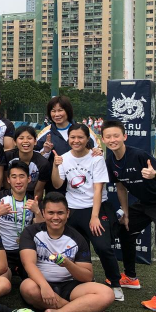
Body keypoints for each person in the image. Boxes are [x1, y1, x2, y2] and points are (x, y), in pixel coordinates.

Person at [102, 119, 156, 311]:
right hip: (144, 204)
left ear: (124, 136)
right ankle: (130, 277)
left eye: (116, 135)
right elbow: (120, 187)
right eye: (108, 136)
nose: (112, 139)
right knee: (125, 229)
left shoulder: (139, 155)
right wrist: (126, 213)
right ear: (103, 139)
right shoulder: (110, 161)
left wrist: (155, 174)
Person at [51, 123, 122, 300]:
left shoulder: (96, 158)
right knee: (78, 249)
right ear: (68, 138)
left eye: (80, 137)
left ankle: (115, 283)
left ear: (87, 139)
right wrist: (55, 165)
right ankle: (86, 280)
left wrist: (94, 216)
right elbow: (58, 184)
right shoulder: (63, 158)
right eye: (72, 137)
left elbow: (98, 189)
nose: (76, 141)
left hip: (95, 208)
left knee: (102, 247)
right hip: (72, 210)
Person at [19, 192, 115, 312]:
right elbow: (28, 264)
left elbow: (87, 276)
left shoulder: (77, 238)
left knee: (107, 293)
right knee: (27, 287)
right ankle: (82, 309)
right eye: (51, 213)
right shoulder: (30, 232)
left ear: (67, 213)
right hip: (40, 284)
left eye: (60, 213)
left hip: (71, 286)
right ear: (43, 213)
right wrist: (44, 286)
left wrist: (68, 264)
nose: (55, 217)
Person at [0, 161, 42, 278]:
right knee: (2, 278)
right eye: (14, 177)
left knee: (34, 278)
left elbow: (43, 230)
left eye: (22, 176)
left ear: (29, 179)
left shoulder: (33, 201)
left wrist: (37, 212)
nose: (18, 181)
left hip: (25, 250)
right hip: (2, 250)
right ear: (8, 180)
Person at [36, 96, 99, 160]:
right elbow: (35, 159)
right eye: (53, 111)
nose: (57, 114)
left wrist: (98, 151)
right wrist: (46, 151)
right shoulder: (46, 133)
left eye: (60, 110)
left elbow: (99, 151)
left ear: (68, 111)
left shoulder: (83, 130)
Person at [4, 126, 51, 202]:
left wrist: (34, 205)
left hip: (31, 196)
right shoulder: (8, 156)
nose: (25, 141)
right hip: (10, 194)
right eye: (21, 138)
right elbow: (6, 183)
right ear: (15, 142)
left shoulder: (43, 163)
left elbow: (38, 191)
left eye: (29, 138)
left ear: (35, 141)